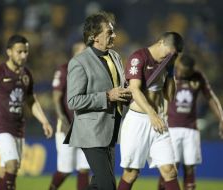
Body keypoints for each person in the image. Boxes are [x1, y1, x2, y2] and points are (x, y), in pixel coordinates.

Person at [0, 34, 53, 190]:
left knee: (7, 172)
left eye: (25, 52)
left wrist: (44, 121)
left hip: (19, 128)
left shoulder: (26, 75)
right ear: (9, 52)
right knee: (12, 164)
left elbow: (31, 100)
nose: (23, 55)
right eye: (19, 51)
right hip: (1, 126)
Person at [64, 11, 131, 190]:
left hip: (111, 130)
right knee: (108, 186)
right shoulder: (79, 62)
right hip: (91, 132)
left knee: (98, 185)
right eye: (109, 32)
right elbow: (73, 100)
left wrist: (129, 92)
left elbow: (120, 87)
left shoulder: (115, 56)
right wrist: (108, 96)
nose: (114, 35)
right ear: (94, 37)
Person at [118, 31, 184, 190]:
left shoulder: (167, 62)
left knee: (170, 171)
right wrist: (152, 114)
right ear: (162, 42)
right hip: (138, 121)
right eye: (170, 53)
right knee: (131, 173)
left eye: (174, 55)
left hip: (159, 121)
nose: (170, 57)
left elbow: (169, 97)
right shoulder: (138, 57)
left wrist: (170, 72)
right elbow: (134, 90)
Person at [158, 54, 223, 190]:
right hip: (171, 127)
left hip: (191, 129)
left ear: (191, 70)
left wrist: (221, 119)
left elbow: (211, 98)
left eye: (184, 71)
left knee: (189, 167)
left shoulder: (197, 77)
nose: (180, 73)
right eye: (179, 69)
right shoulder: (169, 73)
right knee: (170, 167)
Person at [48, 41, 90, 190]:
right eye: (83, 51)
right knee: (65, 169)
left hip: (85, 127)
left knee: (84, 169)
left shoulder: (92, 70)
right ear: (75, 53)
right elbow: (56, 97)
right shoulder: (64, 69)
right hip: (67, 126)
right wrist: (63, 119)